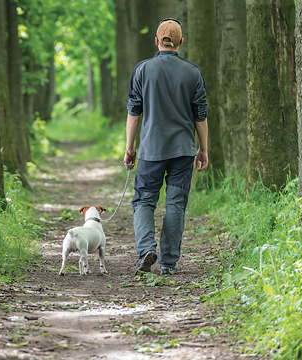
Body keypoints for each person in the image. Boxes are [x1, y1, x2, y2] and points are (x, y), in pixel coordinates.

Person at [123, 18, 209, 276]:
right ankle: (168, 263)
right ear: (181, 42)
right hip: (183, 149)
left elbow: (134, 112)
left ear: (156, 41)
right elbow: (200, 115)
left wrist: (129, 148)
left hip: (150, 149)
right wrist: (203, 149)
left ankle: (146, 249)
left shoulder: (142, 69)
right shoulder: (193, 72)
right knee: (175, 204)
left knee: (144, 202)